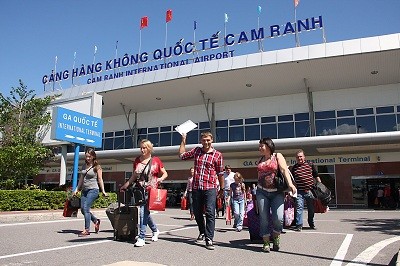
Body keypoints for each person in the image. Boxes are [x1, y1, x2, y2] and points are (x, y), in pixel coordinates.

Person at [179, 131, 224, 250]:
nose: (206, 142)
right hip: (196, 187)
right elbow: (181, 156)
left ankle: (209, 238)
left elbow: (220, 173)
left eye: (208, 140)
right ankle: (202, 231)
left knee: (210, 212)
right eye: (204, 140)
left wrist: (222, 189)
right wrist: (183, 140)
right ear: (201, 141)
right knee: (197, 213)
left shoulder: (217, 155)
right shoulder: (196, 151)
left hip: (210, 188)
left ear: (212, 140)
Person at [120, 139, 168, 247]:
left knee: (143, 212)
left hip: (152, 190)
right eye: (141, 148)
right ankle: (155, 230)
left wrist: (159, 180)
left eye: (144, 148)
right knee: (145, 213)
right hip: (140, 190)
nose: (142, 150)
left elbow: (165, 174)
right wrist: (126, 185)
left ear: (149, 148)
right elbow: (134, 176)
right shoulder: (137, 160)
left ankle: (141, 237)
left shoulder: (156, 160)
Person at [256, 137, 296, 252]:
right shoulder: (260, 159)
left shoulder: (277, 156)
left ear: (268, 146)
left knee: (278, 218)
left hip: (277, 192)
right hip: (261, 192)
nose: (259, 148)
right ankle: (266, 242)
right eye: (259, 146)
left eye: (261, 146)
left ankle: (276, 236)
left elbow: (284, 170)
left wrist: (290, 185)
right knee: (264, 218)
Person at [73, 148, 108, 237]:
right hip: (84, 190)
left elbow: (100, 179)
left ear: (93, 156)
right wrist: (77, 189)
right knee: (83, 210)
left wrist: (103, 191)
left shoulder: (97, 167)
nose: (88, 158)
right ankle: (96, 221)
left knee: (86, 208)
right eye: (86, 156)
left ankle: (86, 230)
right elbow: (81, 179)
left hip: (93, 190)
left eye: (89, 156)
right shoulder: (84, 166)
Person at [291, 149, 321, 231]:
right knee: (299, 208)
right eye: (297, 157)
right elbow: (292, 180)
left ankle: (311, 223)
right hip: (299, 192)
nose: (299, 158)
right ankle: (299, 225)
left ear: (304, 157)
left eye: (301, 156)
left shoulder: (310, 165)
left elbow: (316, 176)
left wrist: (320, 186)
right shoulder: (294, 168)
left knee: (311, 209)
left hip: (310, 191)